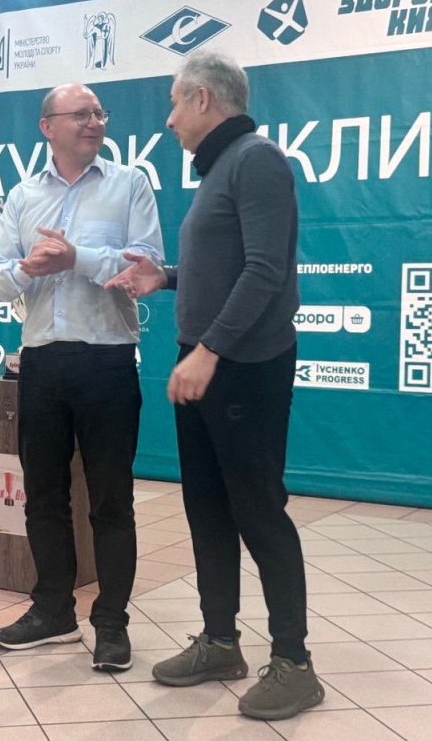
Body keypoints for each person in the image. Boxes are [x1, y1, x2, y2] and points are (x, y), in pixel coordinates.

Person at [105, 50, 324, 720]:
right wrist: (165, 277)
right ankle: (221, 641)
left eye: (175, 103)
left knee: (258, 510)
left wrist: (209, 351)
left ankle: (295, 664)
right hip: (207, 364)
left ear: (203, 98)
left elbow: (264, 271)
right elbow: (226, 264)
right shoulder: (222, 168)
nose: (169, 120)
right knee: (206, 507)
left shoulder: (258, 160)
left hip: (245, 369)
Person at [0, 84, 164, 671]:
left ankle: (111, 623)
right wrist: (26, 269)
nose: (94, 122)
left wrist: (75, 258)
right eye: (81, 114)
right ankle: (53, 611)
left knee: (111, 501)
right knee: (43, 497)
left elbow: (146, 265)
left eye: (99, 113)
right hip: (41, 362)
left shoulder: (130, 184)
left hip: (107, 360)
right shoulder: (22, 195)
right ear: (47, 127)